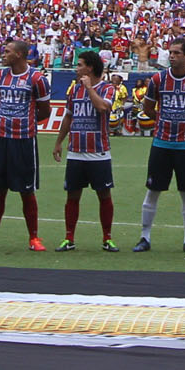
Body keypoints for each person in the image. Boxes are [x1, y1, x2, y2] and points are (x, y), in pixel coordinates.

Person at [134, 37, 185, 254]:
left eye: (177, 53)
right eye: (171, 52)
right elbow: (148, 107)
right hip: (162, 142)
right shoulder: (158, 79)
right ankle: (145, 236)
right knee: (153, 190)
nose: (172, 56)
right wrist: (161, 119)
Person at [0, 40, 49, 252]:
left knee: (27, 191)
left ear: (19, 54)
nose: (3, 54)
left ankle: (34, 238)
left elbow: (44, 111)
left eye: (7, 51)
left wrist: (24, 122)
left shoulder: (37, 79)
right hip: (1, 138)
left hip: (24, 140)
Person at [52, 49, 117, 251]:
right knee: (72, 196)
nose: (76, 68)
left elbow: (102, 108)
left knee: (104, 195)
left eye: (80, 64)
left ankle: (107, 238)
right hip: (76, 152)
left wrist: (90, 89)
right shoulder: (74, 90)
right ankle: (69, 238)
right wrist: (58, 142)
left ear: (89, 67)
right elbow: (69, 117)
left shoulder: (107, 89)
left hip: (98, 152)